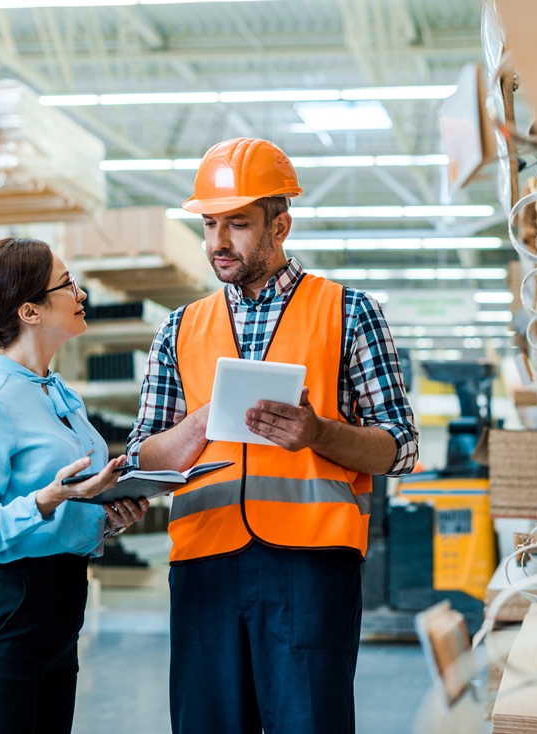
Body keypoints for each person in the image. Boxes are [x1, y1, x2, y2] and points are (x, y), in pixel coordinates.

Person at [128, 137, 419, 734]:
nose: (217, 242)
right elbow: (143, 457)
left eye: (237, 224)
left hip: (309, 568)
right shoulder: (179, 329)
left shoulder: (348, 312)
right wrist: (200, 423)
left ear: (279, 225)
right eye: (209, 223)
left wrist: (318, 433)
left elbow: (400, 448)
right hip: (205, 568)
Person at [0, 237, 150, 734]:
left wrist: (106, 519)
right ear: (31, 310)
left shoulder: (61, 395)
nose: (80, 293)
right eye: (68, 284)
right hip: (7, 614)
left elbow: (69, 505)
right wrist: (48, 499)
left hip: (60, 613)